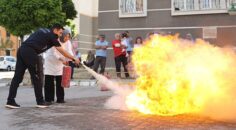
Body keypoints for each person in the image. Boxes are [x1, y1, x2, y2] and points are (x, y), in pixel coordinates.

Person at [5, 24, 80, 109]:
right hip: (30, 52)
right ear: (55, 30)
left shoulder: (42, 30)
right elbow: (62, 51)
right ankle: (40, 101)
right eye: (60, 33)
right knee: (37, 77)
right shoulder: (52, 36)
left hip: (22, 49)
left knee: (17, 77)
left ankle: (10, 101)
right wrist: (74, 58)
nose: (60, 35)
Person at [44, 29, 73, 104]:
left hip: (60, 63)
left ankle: (60, 99)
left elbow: (69, 52)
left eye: (68, 37)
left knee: (60, 81)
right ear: (62, 35)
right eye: (66, 36)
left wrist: (71, 59)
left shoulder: (68, 42)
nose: (67, 38)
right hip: (50, 61)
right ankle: (48, 99)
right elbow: (54, 53)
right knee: (49, 81)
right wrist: (62, 59)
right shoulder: (55, 40)